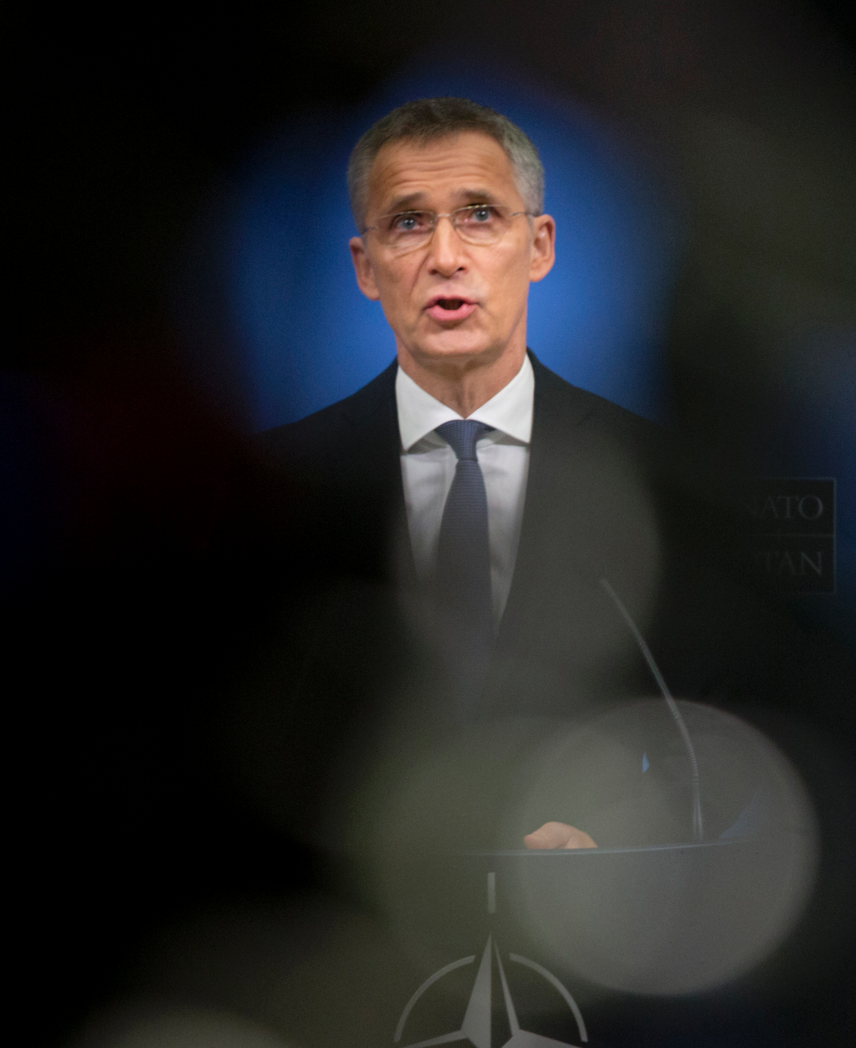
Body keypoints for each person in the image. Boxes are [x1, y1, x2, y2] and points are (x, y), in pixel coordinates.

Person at [247, 98, 698, 854]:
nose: (446, 256)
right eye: (409, 223)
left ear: (541, 246)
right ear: (364, 265)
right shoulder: (282, 501)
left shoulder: (675, 505)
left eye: (481, 216)